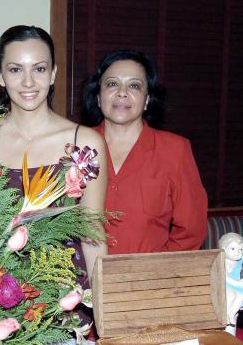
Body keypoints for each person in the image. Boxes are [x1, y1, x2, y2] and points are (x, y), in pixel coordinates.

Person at [0, 25, 108, 342]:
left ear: (54, 73)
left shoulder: (83, 143)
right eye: (16, 69)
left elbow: (93, 237)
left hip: (65, 308)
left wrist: (107, 318)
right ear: (0, 75)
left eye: (39, 69)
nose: (28, 82)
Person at [83, 49, 207, 254]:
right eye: (112, 84)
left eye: (134, 85)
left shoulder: (175, 151)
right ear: (98, 96)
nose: (122, 92)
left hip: (148, 281)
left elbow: (191, 232)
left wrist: (155, 274)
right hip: (82, 281)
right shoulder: (77, 146)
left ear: (147, 99)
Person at [219, 233, 243, 335]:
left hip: (239, 288)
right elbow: (225, 278)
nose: (238, 252)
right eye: (233, 249)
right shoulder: (222, 262)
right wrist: (238, 283)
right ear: (224, 249)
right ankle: (231, 314)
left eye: (241, 249)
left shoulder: (240, 261)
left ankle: (232, 314)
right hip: (226, 288)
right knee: (234, 297)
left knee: (240, 296)